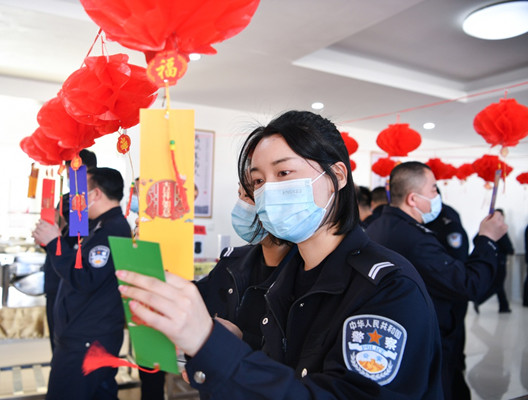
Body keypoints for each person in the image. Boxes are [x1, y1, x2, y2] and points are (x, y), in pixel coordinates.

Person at [117, 111, 443, 399]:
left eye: (283, 173)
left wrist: (211, 345)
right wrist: (238, 343)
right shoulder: (284, 277)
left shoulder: (389, 289)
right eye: (257, 180)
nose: (267, 190)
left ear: (337, 176)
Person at [365, 161, 508, 400]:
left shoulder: (377, 227)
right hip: (425, 343)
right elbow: (469, 284)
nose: (436, 195)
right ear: (413, 199)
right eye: (432, 189)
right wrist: (488, 239)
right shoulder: (415, 239)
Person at [33, 167, 130, 400]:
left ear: (95, 194)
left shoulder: (112, 229)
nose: (75, 197)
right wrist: (55, 239)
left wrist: (54, 242)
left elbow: (85, 278)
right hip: (88, 335)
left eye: (81, 191)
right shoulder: (98, 226)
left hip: (87, 339)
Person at [195, 184, 297, 350]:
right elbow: (195, 297)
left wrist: (243, 339)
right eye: (239, 194)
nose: (240, 205)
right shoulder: (231, 262)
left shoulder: (306, 273)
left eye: (248, 195)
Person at [43, 149, 97, 352]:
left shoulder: (94, 205)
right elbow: (59, 236)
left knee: (70, 348)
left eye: (77, 175)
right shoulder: (64, 200)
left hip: (75, 283)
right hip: (55, 277)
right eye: (69, 176)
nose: (72, 181)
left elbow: (80, 238)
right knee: (57, 346)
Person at [476, 209, 514, 313]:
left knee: (498, 286)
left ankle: (504, 306)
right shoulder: (499, 231)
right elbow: (508, 248)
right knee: (497, 285)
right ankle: (479, 300)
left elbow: (477, 240)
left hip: (492, 261)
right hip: (500, 262)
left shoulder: (487, 230)